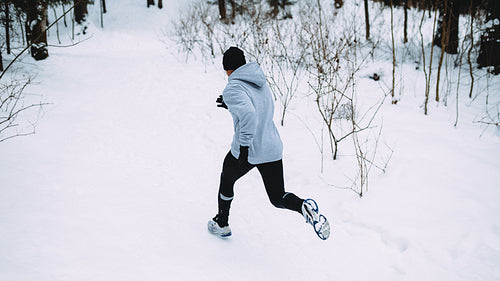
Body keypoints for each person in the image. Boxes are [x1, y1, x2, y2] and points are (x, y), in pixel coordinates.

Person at [208, 47, 330, 240]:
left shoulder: (233, 87)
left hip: (249, 151)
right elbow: (257, 107)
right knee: (277, 197)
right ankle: (303, 206)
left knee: (227, 178)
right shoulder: (259, 82)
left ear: (228, 69)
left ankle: (222, 223)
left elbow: (248, 114)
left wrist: (245, 148)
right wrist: (230, 104)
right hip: (272, 147)